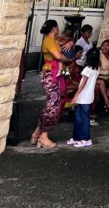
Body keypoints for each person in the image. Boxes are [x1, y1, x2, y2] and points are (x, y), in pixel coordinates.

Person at [32, 20, 73, 149]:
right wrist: (69, 59)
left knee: (51, 104)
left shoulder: (54, 39)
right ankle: (44, 136)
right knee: (53, 105)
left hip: (55, 73)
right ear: (54, 28)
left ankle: (37, 133)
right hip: (51, 74)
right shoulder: (49, 41)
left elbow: (65, 40)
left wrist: (71, 42)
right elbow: (58, 56)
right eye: (57, 28)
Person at [69, 47, 100, 148]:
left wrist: (75, 96)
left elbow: (83, 84)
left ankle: (86, 139)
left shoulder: (87, 69)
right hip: (88, 96)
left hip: (83, 97)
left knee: (83, 119)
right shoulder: (96, 69)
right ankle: (77, 137)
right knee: (80, 118)